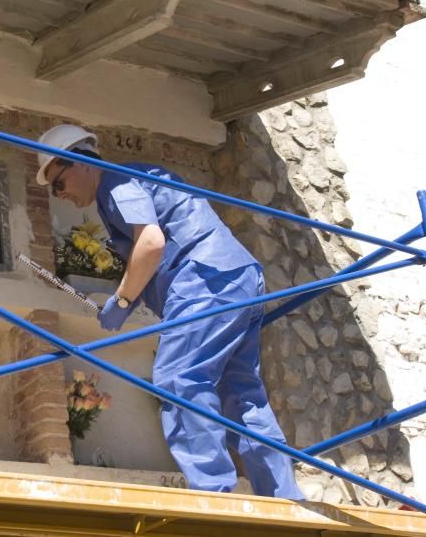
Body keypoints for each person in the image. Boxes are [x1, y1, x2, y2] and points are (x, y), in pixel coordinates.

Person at [36, 124, 302, 500]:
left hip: (205, 283)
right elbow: (153, 253)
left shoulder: (114, 183)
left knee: (178, 380)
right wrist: (125, 300)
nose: (60, 196)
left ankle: (215, 493)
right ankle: (284, 496)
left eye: (57, 184)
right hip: (234, 278)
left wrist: (123, 301)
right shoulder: (129, 181)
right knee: (241, 395)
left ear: (77, 162)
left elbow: (151, 242)